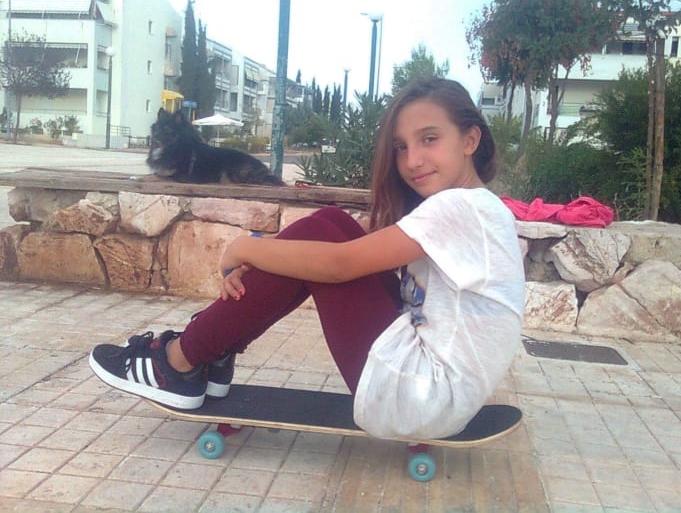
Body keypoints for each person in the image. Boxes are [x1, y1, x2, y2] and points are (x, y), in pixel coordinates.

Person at [89, 77, 525, 440]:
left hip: (420, 398)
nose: (412, 160)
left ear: (470, 139)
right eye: (400, 146)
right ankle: (212, 350)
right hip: (431, 390)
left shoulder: (462, 208)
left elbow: (340, 265)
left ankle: (180, 361)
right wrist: (268, 256)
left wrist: (245, 247)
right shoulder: (474, 208)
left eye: (429, 139)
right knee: (332, 224)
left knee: (324, 238)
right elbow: (348, 250)